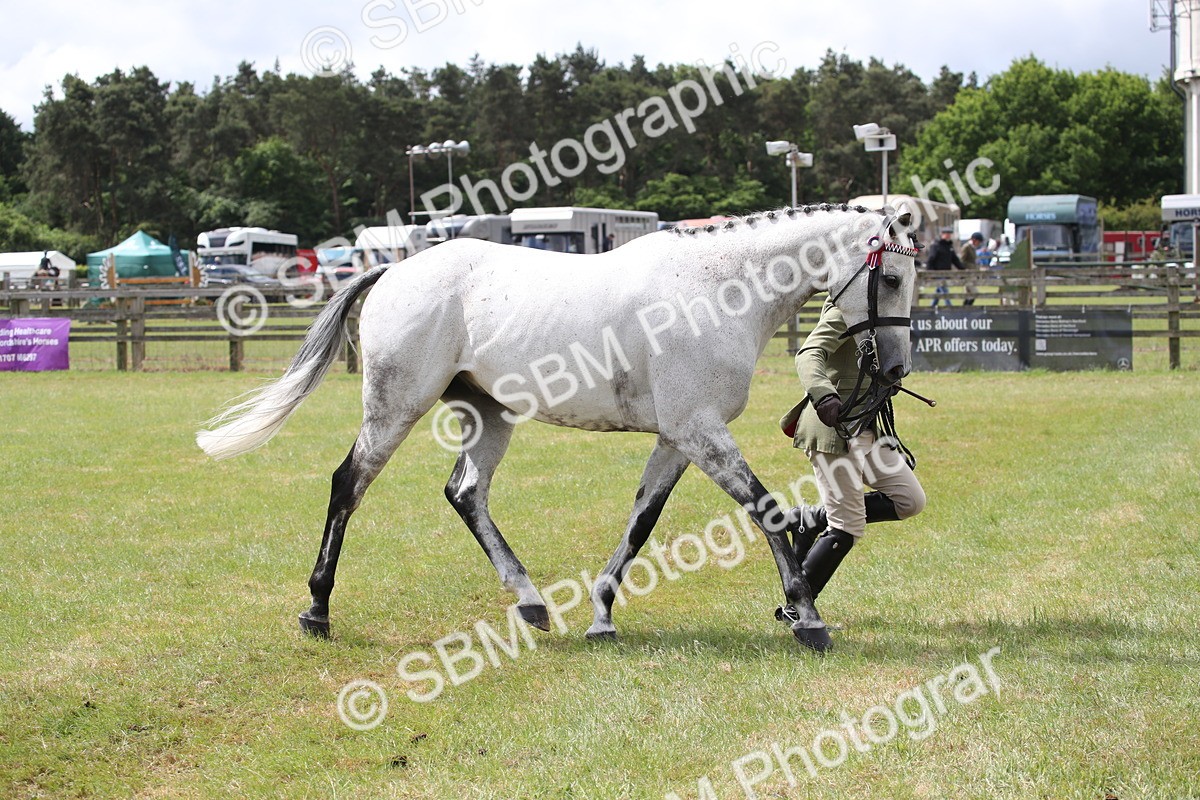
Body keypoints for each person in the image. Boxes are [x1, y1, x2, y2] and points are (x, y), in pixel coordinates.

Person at [778, 299, 926, 621]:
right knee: (847, 526)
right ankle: (798, 608)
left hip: (867, 427)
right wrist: (823, 394)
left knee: (910, 500)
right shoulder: (845, 307)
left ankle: (811, 518)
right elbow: (808, 355)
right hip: (836, 428)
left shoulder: (885, 311)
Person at [924, 227, 964, 307]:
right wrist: (929, 272)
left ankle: (932, 307)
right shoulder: (936, 245)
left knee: (939, 290)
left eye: (949, 234)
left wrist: (963, 269)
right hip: (937, 272)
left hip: (946, 272)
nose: (948, 235)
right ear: (942, 234)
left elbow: (955, 259)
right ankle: (949, 307)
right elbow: (931, 259)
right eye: (946, 234)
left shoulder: (949, 246)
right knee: (944, 289)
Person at [960, 232, 983, 306]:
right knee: (974, 292)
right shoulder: (966, 247)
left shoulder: (972, 248)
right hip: (967, 273)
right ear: (974, 240)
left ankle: (966, 310)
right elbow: (962, 260)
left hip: (972, 273)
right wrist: (963, 272)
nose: (979, 244)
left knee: (968, 294)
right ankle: (965, 308)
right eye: (978, 242)